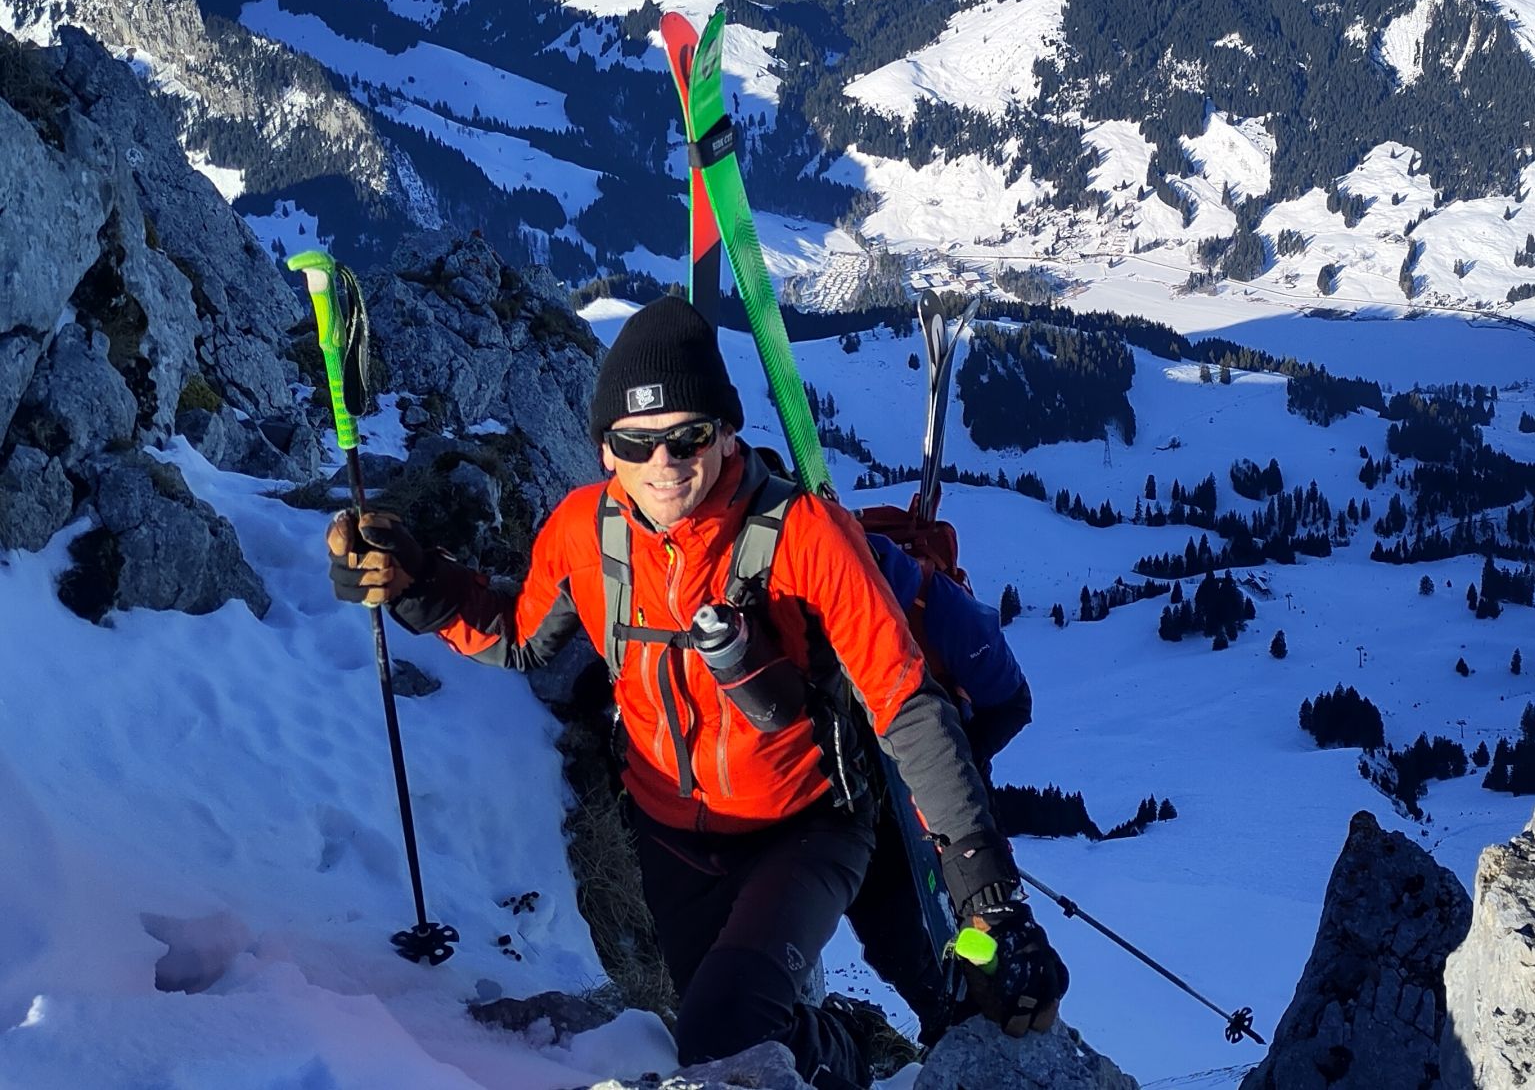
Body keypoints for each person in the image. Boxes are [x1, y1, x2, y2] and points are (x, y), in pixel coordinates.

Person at [327, 297, 1066, 1086]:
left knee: (721, 1032)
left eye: (688, 436)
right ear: (605, 448)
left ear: (728, 431)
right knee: (712, 1025)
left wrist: (991, 900)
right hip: (671, 837)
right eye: (634, 442)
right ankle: (829, 1038)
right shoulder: (584, 531)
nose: (663, 462)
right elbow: (518, 633)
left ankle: (848, 1060)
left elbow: (907, 703)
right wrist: (415, 581)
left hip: (806, 826)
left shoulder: (807, 535)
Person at [849, 530, 1031, 1042]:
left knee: (978, 902)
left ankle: (992, 1006)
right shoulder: (818, 606)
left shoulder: (943, 612)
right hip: (870, 781)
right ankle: (942, 1015)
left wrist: (949, 764)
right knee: (887, 927)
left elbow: (1013, 704)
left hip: (945, 762)